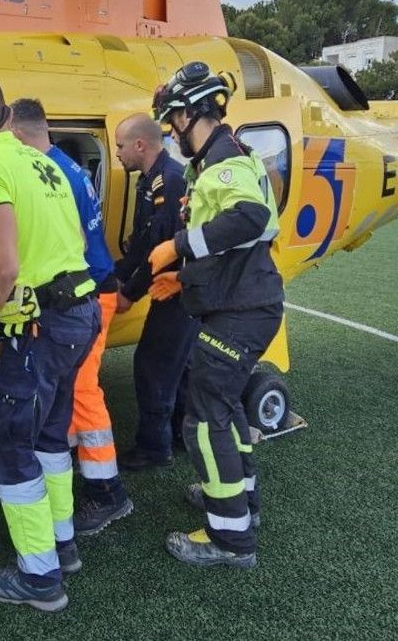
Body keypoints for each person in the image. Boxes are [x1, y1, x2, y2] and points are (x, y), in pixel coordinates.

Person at [0, 78, 99, 612]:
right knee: (52, 437)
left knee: (11, 443)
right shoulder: (45, 161)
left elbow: (3, 265)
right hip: (81, 311)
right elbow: (74, 240)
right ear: (8, 116)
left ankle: (40, 578)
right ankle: (63, 542)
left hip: (42, 324)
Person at [149, 61, 284, 569]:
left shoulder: (225, 160)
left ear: (189, 113)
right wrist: (183, 277)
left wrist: (177, 245)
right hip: (240, 301)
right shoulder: (217, 161)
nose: (170, 133)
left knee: (205, 418)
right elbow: (234, 248)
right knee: (223, 408)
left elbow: (250, 218)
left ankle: (229, 538)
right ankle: (241, 504)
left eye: (172, 121)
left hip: (240, 312)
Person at [8, 98, 133, 536]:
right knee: (70, 390)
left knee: (82, 390)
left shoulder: (49, 172)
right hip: (92, 289)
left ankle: (108, 493)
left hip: (87, 292)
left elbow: (69, 239)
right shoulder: (65, 165)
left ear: (19, 135)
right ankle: (80, 472)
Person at [112, 114, 197, 471]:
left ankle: (154, 447)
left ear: (139, 145)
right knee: (179, 366)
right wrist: (113, 274)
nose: (117, 154)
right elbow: (142, 242)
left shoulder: (170, 181)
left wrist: (129, 293)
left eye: (119, 146)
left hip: (179, 292)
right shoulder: (149, 181)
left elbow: (163, 250)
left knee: (154, 364)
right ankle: (180, 433)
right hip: (171, 290)